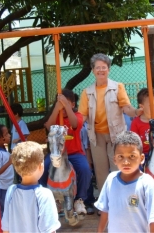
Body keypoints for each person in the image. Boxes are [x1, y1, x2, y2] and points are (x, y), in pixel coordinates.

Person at [78, 53, 142, 192]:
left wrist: (137, 112)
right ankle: (105, 204)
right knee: (101, 171)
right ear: (93, 70)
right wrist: (72, 126)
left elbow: (126, 108)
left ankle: (121, 197)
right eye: (98, 67)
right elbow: (82, 116)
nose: (101, 70)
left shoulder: (118, 87)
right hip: (97, 136)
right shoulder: (87, 92)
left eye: (104, 67)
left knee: (118, 167)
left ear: (109, 69)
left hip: (116, 135)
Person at [95, 131, 154, 233]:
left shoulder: (147, 184)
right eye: (120, 157)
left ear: (141, 158)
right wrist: (100, 231)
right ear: (114, 159)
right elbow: (105, 210)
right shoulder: (111, 180)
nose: (126, 162)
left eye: (132, 156)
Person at [39, 88, 92, 216]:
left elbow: (74, 125)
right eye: (60, 105)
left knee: (85, 170)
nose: (63, 108)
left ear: (73, 104)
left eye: (66, 105)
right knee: (42, 169)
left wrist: (66, 106)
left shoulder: (77, 115)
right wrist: (57, 108)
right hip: (56, 153)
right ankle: (49, 199)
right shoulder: (56, 116)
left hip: (74, 153)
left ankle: (79, 199)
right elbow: (49, 126)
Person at [2, 141, 61, 233]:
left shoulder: (11, 191)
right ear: (41, 166)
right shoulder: (44, 194)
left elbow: (6, 228)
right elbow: (49, 230)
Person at [130, 88, 154, 166]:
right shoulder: (136, 123)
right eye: (151, 105)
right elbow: (134, 143)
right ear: (142, 106)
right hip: (144, 155)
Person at [0, 123, 14, 217]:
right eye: (6, 134)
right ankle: (3, 229)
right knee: (3, 211)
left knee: (8, 209)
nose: (9, 135)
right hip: (1, 187)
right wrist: (9, 162)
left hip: (7, 185)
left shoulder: (3, 149)